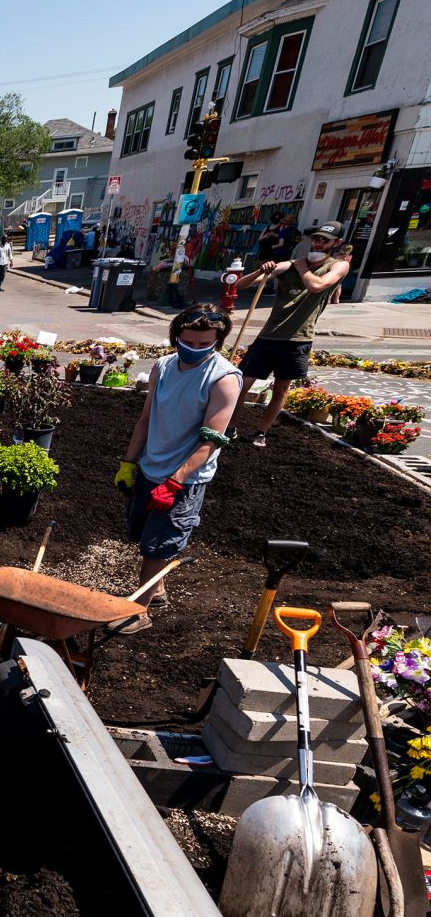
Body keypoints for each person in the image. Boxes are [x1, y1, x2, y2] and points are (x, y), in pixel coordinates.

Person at [113, 305, 242, 634]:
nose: (195, 349)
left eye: (204, 344)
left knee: (159, 544)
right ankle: (156, 589)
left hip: (185, 477)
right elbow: (146, 419)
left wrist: (175, 482)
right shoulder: (164, 366)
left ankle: (138, 611)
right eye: (189, 342)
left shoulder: (223, 379)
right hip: (150, 465)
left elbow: (210, 441)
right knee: (145, 535)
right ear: (176, 336)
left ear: (217, 341)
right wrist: (129, 461)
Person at [230, 221, 351, 447]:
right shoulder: (288, 266)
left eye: (325, 240)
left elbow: (317, 286)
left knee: (281, 389)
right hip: (269, 336)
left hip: (298, 338)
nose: (318, 243)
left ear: (337, 243)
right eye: (315, 238)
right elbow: (241, 285)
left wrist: (302, 265)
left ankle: (261, 432)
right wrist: (262, 270)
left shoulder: (338, 266)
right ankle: (230, 426)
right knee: (241, 384)